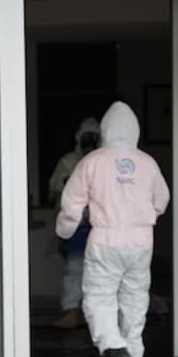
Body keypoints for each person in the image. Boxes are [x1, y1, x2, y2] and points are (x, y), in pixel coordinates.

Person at [56, 101, 170, 357]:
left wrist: (65, 230)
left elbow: (71, 203)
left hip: (106, 239)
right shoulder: (147, 162)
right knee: (135, 299)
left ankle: (115, 349)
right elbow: (162, 201)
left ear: (105, 130)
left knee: (99, 297)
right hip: (141, 241)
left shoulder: (92, 162)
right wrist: (142, 217)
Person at [50, 118, 101, 330]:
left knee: (102, 274)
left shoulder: (104, 161)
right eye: (87, 137)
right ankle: (70, 310)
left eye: (94, 137)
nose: (90, 142)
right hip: (77, 227)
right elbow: (54, 187)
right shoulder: (68, 162)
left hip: (100, 226)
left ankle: (99, 318)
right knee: (74, 270)